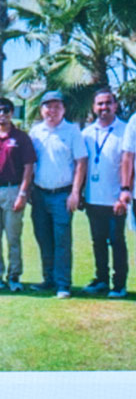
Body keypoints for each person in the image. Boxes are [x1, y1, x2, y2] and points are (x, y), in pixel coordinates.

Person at [28, 89, 87, 298]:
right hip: (39, 194)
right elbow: (29, 163)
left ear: (63, 109)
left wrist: (75, 193)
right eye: (48, 106)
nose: (52, 110)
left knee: (62, 239)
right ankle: (49, 279)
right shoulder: (35, 132)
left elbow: (81, 162)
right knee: (43, 238)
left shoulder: (72, 131)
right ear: (41, 109)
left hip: (62, 195)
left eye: (57, 106)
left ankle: (63, 284)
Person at [0, 97, 35, 292]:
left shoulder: (21, 137)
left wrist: (23, 193)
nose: (1, 115)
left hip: (13, 190)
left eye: (5, 111)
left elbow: (29, 167)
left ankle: (14, 277)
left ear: (12, 113)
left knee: (13, 237)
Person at [80, 88, 128, 297]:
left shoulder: (125, 131)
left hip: (116, 198)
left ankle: (119, 284)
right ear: (94, 107)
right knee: (98, 241)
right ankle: (101, 279)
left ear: (115, 106)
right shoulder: (87, 133)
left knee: (117, 241)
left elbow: (130, 166)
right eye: (99, 104)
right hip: (93, 198)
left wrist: (124, 195)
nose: (104, 107)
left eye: (108, 103)